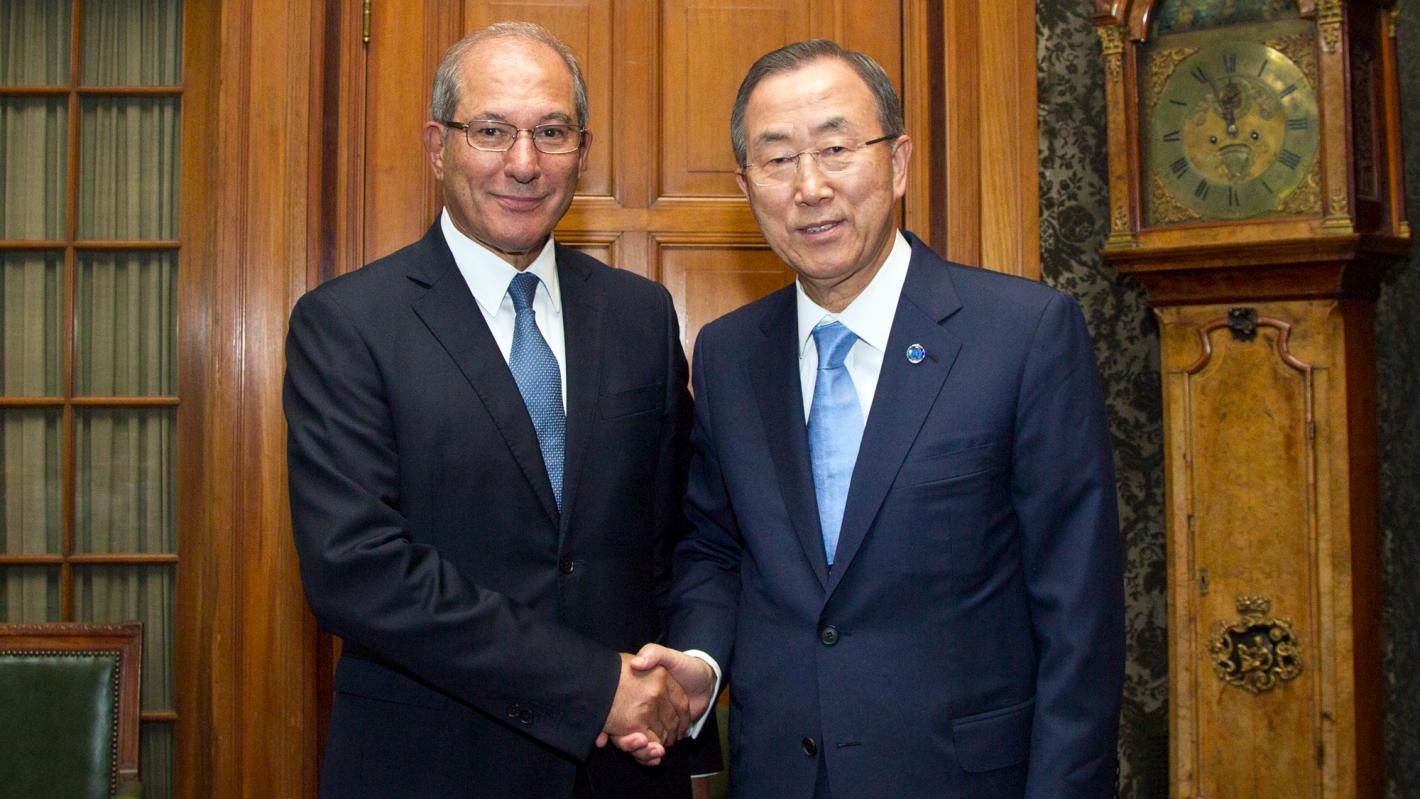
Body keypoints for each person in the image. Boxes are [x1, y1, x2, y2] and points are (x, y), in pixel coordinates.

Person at [623, 39, 1125, 798]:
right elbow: (716, 547)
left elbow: (1080, 618)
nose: (810, 186)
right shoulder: (728, 354)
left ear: (897, 163)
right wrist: (701, 661)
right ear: (747, 187)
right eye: (778, 159)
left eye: (836, 148)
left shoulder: (1023, 335)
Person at [284, 22, 711, 798]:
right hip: (430, 766)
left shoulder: (641, 315)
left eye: (551, 131)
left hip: (626, 772)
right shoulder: (347, 324)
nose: (523, 162)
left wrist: (685, 675)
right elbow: (357, 570)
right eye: (491, 131)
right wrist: (594, 686)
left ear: (582, 149)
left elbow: (683, 533)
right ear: (437, 146)